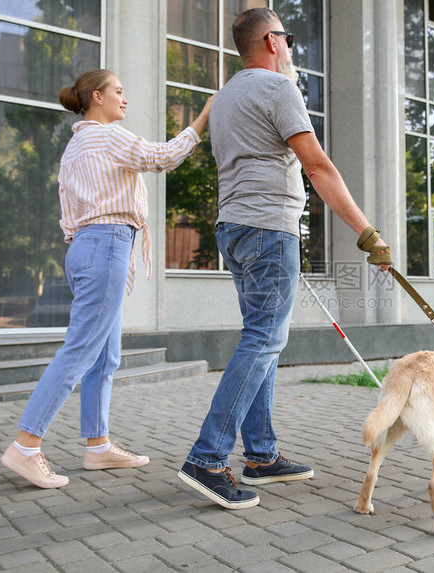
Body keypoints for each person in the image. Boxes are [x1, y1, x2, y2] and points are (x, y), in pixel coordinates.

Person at [178, 8, 391, 510]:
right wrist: (367, 236)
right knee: (264, 339)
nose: (290, 46)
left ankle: (261, 454)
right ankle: (207, 459)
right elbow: (317, 166)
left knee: (263, 340)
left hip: (234, 227)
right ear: (272, 42)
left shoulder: (227, 94)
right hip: (267, 229)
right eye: (287, 37)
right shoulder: (278, 89)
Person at [1, 68, 214, 489]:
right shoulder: (104, 136)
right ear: (97, 96)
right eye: (119, 91)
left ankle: (97, 446)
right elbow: (163, 157)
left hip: (87, 247)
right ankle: (25, 446)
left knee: (103, 355)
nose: (125, 99)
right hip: (105, 245)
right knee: (81, 350)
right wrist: (205, 114)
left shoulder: (76, 145)